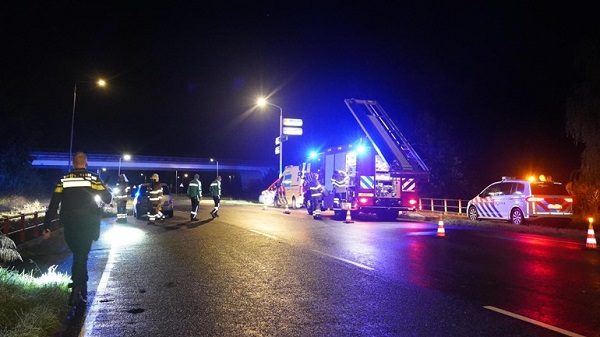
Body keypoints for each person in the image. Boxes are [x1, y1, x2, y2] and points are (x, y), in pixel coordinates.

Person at [42, 152, 112, 306]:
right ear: (86, 163)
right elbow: (108, 199)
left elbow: (53, 204)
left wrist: (46, 226)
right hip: (88, 222)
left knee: (78, 254)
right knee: (82, 255)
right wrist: (105, 189)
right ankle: (76, 288)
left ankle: (81, 286)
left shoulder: (64, 180)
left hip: (69, 223)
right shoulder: (93, 178)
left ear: (73, 164)